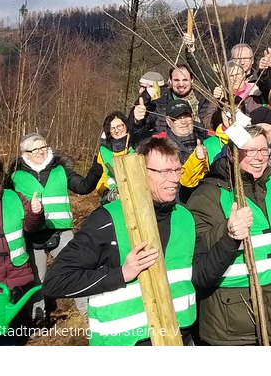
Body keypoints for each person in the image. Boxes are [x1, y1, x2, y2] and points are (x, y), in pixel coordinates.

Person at [41, 136, 250, 347]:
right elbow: (55, 282)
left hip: (179, 336)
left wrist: (230, 239)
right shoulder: (107, 220)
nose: (175, 178)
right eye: (164, 172)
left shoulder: (184, 217)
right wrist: (121, 274)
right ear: (142, 172)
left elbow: (201, 275)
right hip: (123, 342)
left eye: (177, 170)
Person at [186, 125, 271, 347]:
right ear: (232, 153)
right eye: (249, 151)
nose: (259, 158)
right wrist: (229, 235)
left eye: (263, 150)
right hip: (234, 328)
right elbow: (200, 273)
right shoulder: (207, 197)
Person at [8, 133, 103, 321]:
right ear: (25, 153)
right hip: (31, 236)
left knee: (75, 270)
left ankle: (87, 315)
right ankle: (38, 319)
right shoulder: (14, 177)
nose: (41, 152)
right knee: (37, 280)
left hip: (62, 233)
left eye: (44, 147)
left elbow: (83, 187)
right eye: (36, 149)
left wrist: (95, 171)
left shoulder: (61, 170)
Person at [0, 155, 43, 347]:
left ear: (1, 177)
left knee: (12, 339)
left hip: (17, 281)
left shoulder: (15, 197)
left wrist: (35, 213)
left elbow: (30, 227)